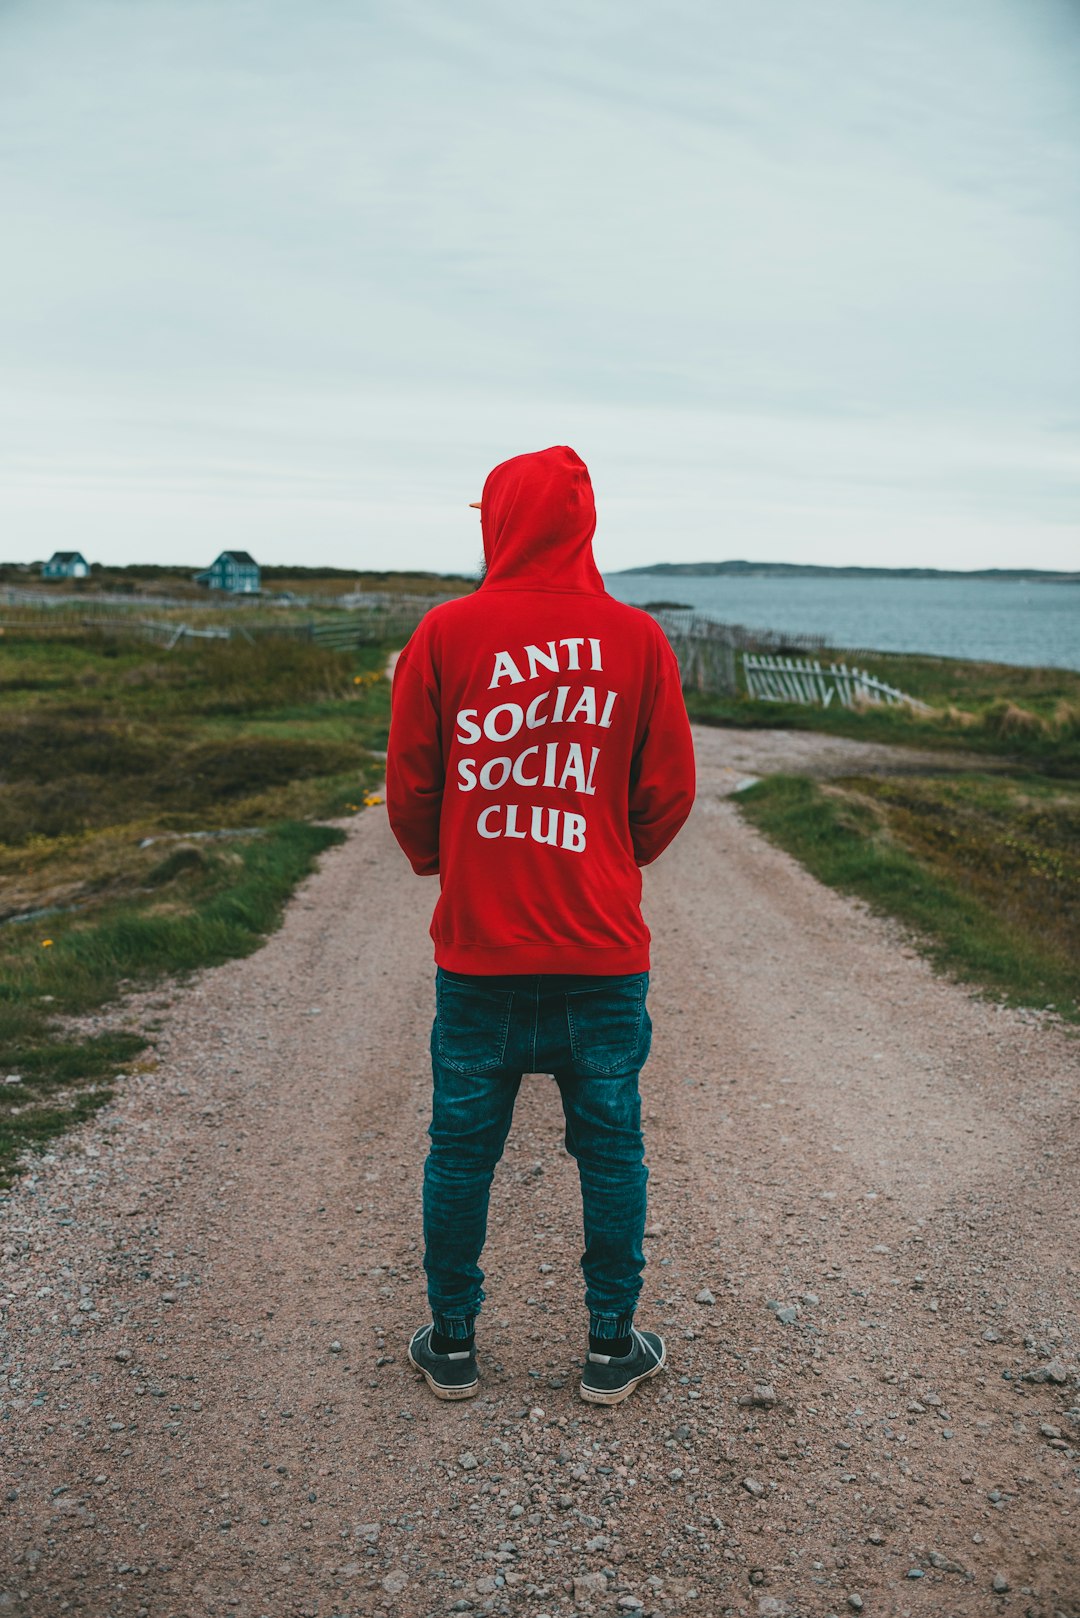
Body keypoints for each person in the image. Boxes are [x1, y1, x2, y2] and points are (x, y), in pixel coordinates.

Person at [385, 444, 696, 1405]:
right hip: (602, 961)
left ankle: (453, 1346)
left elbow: (410, 788)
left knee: (459, 1152)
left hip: (478, 960)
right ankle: (610, 1349)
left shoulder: (445, 633)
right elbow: (670, 794)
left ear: (499, 521)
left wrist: (448, 859)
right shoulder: (638, 641)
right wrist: (610, 852)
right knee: (611, 1153)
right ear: (582, 524)